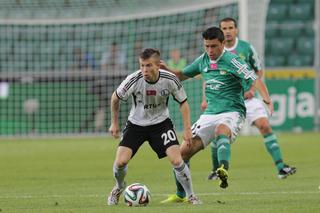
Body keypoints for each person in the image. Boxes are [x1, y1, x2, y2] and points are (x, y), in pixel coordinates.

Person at [160, 26, 272, 203]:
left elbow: (255, 79)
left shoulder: (233, 61)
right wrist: (167, 70)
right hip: (209, 114)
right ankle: (181, 194)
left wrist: (266, 98)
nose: (210, 51)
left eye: (213, 46)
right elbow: (181, 75)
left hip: (232, 111)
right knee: (181, 154)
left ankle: (222, 168)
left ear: (222, 44)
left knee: (222, 130)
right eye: (207, 46)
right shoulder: (203, 60)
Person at [107, 48, 202, 205]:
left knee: (177, 161)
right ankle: (119, 187)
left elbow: (183, 103)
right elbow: (115, 98)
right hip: (136, 125)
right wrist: (114, 123)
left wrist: (187, 130)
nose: (145, 69)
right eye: (142, 65)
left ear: (158, 65)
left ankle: (191, 195)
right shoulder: (133, 79)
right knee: (120, 163)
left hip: (161, 125)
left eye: (149, 65)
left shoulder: (170, 79)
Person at [206, 17, 296, 181]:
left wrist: (252, 89)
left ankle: (281, 167)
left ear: (236, 30)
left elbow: (258, 71)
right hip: (225, 102)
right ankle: (215, 170)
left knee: (264, 125)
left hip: (248, 99)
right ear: (220, 31)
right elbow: (208, 76)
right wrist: (205, 98)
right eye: (224, 28)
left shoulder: (246, 48)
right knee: (218, 134)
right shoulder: (214, 50)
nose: (227, 31)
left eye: (230, 28)